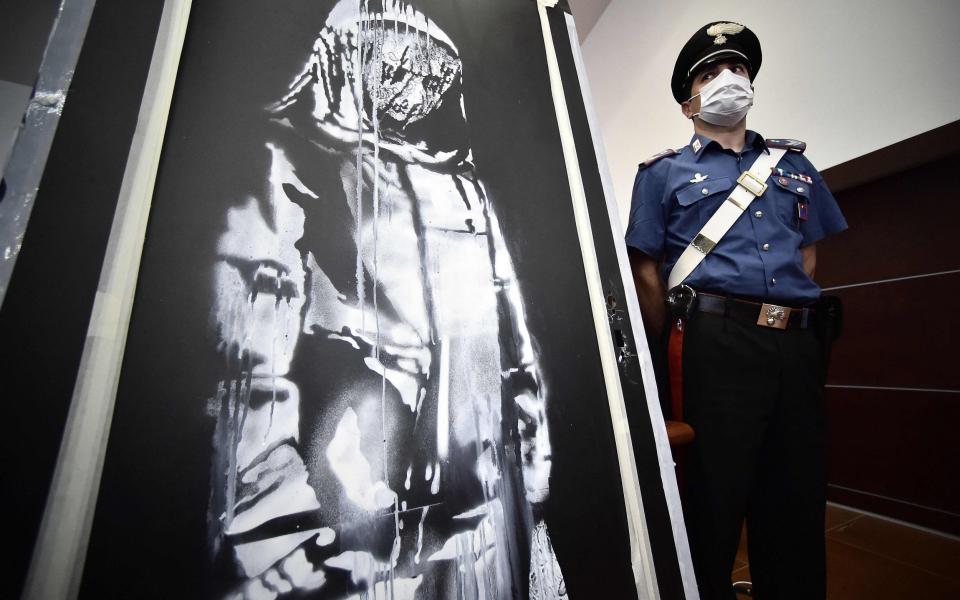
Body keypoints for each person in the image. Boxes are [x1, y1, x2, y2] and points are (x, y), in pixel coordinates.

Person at [625, 21, 847, 600]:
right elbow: (646, 270)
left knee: (796, 495)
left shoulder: (795, 166)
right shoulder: (661, 173)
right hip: (712, 344)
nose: (730, 79)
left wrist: (776, 317)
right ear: (687, 101)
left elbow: (808, 256)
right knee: (711, 499)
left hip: (797, 345)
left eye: (740, 69)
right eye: (711, 72)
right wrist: (668, 344)